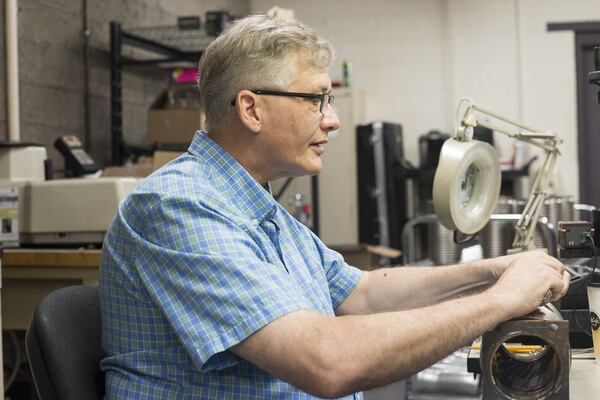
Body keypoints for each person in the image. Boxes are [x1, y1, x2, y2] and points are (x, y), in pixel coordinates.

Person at [99, 14, 570, 399]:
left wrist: (494, 270)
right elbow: (327, 363)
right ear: (251, 109)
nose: (334, 118)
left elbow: (361, 293)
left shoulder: (257, 205)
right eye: (316, 100)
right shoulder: (179, 207)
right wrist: (499, 302)